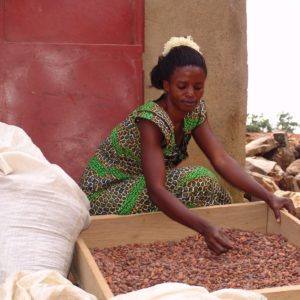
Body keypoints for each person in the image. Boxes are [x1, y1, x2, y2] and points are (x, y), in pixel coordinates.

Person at [80, 36, 296, 255]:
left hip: (140, 187)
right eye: (182, 86)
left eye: (198, 87)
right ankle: (209, 234)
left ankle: (223, 239)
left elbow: (220, 158)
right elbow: (156, 190)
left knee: (207, 184)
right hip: (107, 194)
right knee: (198, 180)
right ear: (167, 85)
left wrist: (269, 196)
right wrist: (203, 227)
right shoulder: (150, 120)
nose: (191, 93)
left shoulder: (194, 112)